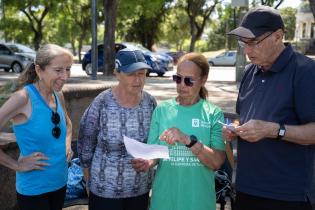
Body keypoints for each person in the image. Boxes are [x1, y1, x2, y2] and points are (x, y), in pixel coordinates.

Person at [224, 5, 315, 210]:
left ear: (278, 36)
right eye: (243, 43)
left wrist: (274, 130)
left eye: (254, 42)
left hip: (286, 195)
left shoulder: (305, 71)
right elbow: (244, 117)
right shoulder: (250, 72)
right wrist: (235, 129)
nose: (247, 51)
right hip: (246, 188)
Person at [132, 52, 226, 210]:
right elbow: (154, 153)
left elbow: (216, 162)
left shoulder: (213, 113)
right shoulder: (162, 110)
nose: (182, 85)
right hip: (165, 200)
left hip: (199, 202)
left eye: (189, 80)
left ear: (203, 80)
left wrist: (187, 139)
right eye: (178, 78)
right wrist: (146, 162)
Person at [77, 48, 157, 210]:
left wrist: (150, 161)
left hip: (139, 189)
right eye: (131, 74)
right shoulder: (102, 102)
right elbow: (86, 144)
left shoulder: (150, 103)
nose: (137, 80)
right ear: (117, 73)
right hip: (104, 190)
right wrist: (88, 182)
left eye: (141, 73)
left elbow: (155, 142)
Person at [0, 44, 74, 210]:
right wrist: (17, 165)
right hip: (34, 190)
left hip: (60, 182)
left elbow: (68, 124)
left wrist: (67, 144)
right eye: (58, 70)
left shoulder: (58, 94)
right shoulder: (23, 98)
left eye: (68, 69)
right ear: (39, 70)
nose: (65, 76)